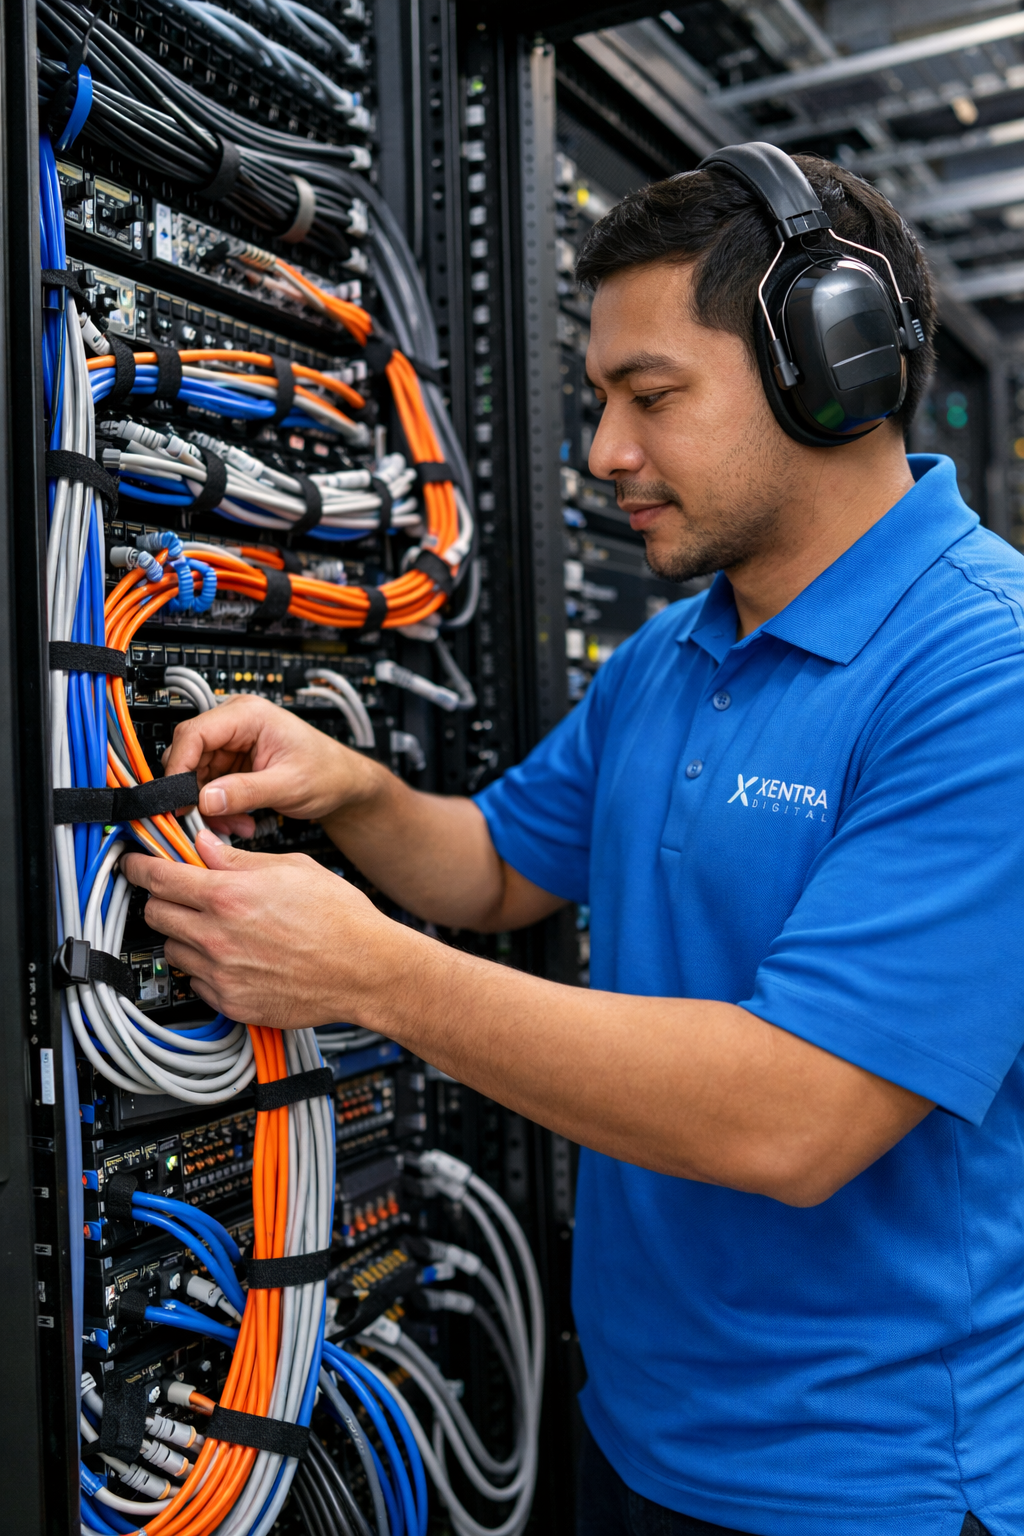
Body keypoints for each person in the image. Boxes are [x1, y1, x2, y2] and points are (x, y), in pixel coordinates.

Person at [124, 151, 1024, 1536]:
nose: (604, 452)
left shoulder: (984, 668)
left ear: (831, 368)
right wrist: (352, 789)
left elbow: (800, 1117)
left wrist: (370, 976)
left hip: (873, 1483)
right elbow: (495, 866)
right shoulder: (673, 653)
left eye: (651, 398)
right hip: (633, 1435)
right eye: (602, 399)